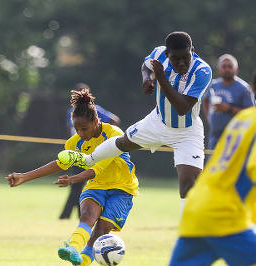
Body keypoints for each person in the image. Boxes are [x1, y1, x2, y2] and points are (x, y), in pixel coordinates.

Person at [103, 59, 256, 266]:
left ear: (253, 88)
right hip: (223, 217)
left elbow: (226, 177)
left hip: (199, 208)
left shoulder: (242, 119)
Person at [58, 31, 212, 216]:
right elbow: (145, 66)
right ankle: (88, 159)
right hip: (157, 121)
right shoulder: (158, 55)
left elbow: (182, 108)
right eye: (175, 58)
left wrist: (161, 78)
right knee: (123, 143)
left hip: (187, 130)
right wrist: (147, 79)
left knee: (189, 183)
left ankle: (187, 234)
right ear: (166, 55)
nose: (181, 63)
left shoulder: (202, 71)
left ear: (192, 51)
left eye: (185, 57)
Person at [6, 89, 138, 266]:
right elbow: (60, 163)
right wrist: (25, 176)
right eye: (76, 128)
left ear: (96, 120)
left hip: (122, 189)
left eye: (84, 128)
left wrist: (75, 178)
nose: (80, 134)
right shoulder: (76, 141)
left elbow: (98, 167)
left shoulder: (114, 134)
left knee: (100, 232)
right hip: (96, 187)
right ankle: (72, 248)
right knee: (86, 214)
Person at [59, 83, 120, 220]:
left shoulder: (74, 112)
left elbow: (72, 131)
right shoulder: (93, 110)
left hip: (82, 152)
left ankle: (69, 216)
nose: (81, 132)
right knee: (80, 187)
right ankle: (73, 216)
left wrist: (108, 138)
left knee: (78, 186)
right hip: (86, 153)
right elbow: (115, 119)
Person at [202, 54, 255, 149]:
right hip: (215, 136)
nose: (227, 69)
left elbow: (251, 114)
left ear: (236, 69)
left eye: (230, 66)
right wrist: (209, 117)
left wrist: (229, 109)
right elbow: (205, 100)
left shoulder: (244, 89)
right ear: (218, 69)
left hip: (236, 137)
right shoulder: (214, 85)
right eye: (224, 66)